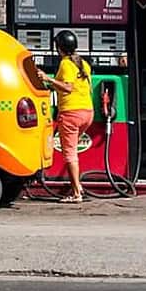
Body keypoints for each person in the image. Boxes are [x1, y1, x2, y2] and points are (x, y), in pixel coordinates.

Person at [37, 30, 94, 204]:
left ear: (58, 47)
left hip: (71, 113)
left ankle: (76, 193)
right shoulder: (83, 63)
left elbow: (68, 87)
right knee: (73, 152)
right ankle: (79, 187)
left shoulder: (65, 64)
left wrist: (47, 78)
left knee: (69, 154)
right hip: (87, 112)